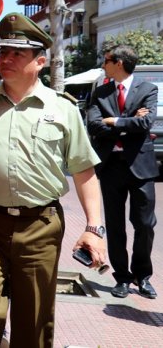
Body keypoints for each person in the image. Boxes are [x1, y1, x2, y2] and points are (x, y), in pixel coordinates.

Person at [0, 14, 106, 347]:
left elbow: (85, 170)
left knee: (33, 320)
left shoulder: (63, 110)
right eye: (4, 52)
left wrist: (94, 228)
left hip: (40, 226)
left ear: (40, 61)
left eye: (18, 53)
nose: (6, 59)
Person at [86, 45, 158, 299]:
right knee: (115, 226)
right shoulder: (101, 92)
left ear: (119, 63)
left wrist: (114, 121)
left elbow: (146, 123)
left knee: (145, 225)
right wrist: (129, 124)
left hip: (141, 167)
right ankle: (123, 278)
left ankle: (143, 276)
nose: (103, 65)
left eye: (106, 60)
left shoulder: (148, 90)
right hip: (111, 167)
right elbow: (94, 126)